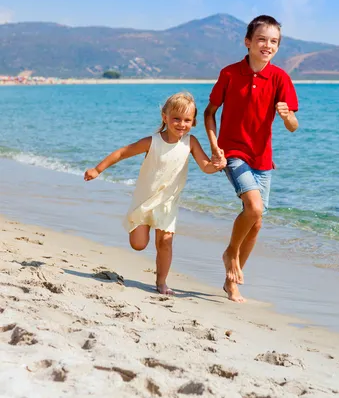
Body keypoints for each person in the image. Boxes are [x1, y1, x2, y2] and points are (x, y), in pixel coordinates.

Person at [84, 92, 222, 295]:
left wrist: (218, 163)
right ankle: (141, 230)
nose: (181, 124)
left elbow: (206, 167)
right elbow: (122, 152)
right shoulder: (152, 141)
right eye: (176, 118)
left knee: (165, 243)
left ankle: (161, 282)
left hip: (168, 203)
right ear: (165, 117)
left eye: (187, 120)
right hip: (144, 201)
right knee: (139, 244)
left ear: (193, 122)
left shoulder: (191, 142)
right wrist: (97, 169)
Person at [204, 15, 299, 303]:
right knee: (254, 208)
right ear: (248, 42)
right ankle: (231, 253)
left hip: (263, 158)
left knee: (256, 222)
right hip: (233, 152)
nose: (267, 45)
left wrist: (287, 116)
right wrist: (215, 147)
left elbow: (293, 125)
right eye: (261, 39)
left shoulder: (280, 78)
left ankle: (231, 282)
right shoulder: (230, 74)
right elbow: (209, 113)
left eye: (273, 41)